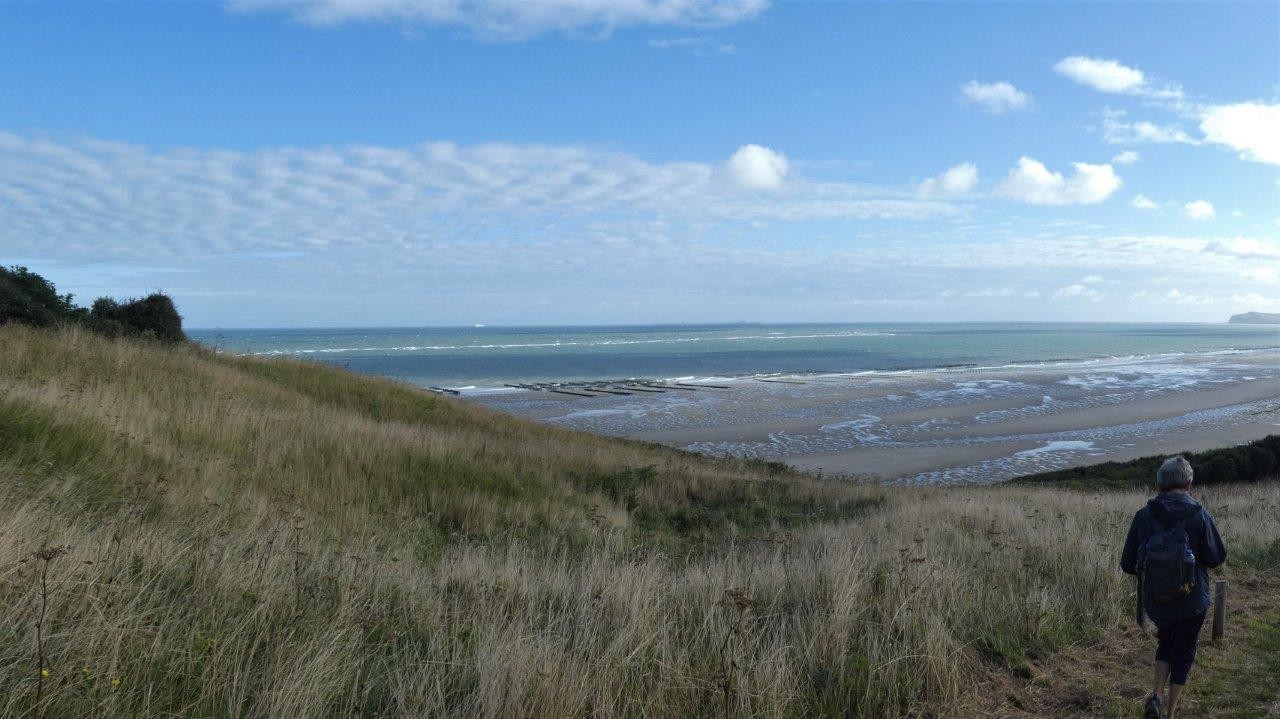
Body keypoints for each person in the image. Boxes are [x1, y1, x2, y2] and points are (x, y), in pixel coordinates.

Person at [1121, 456, 1227, 719]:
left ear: (1159, 485)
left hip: (1157, 601)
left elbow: (1127, 563)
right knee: (1184, 650)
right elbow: (1216, 557)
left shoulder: (1144, 515)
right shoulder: (1199, 513)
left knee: (1166, 643)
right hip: (1193, 601)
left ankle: (1156, 695)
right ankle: (1170, 713)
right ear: (1190, 483)